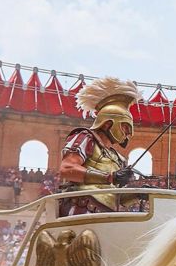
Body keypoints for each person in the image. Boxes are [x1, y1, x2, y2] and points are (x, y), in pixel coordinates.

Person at [57, 77, 142, 216]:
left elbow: (118, 196)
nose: (128, 134)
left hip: (107, 216)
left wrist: (140, 193)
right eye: (125, 127)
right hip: (81, 210)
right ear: (108, 123)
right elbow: (67, 168)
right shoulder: (85, 137)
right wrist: (110, 177)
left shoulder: (117, 157)